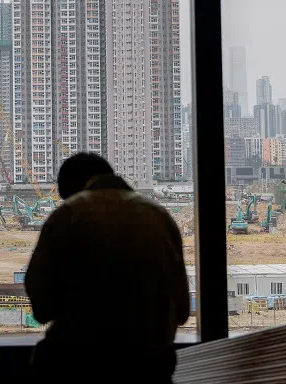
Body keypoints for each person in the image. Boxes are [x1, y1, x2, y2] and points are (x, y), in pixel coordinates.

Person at [25, 155, 190, 383]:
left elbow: (41, 308)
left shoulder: (68, 215)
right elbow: (182, 311)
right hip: (150, 365)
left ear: (73, 188)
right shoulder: (159, 216)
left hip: (77, 363)